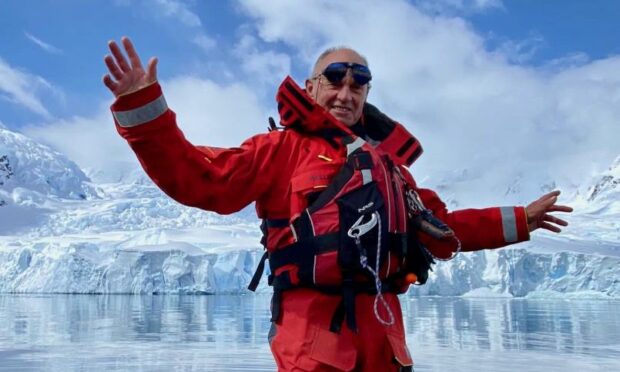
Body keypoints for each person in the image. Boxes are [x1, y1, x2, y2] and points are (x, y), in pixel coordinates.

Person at [103, 37, 572, 372]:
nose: (346, 92)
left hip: (385, 344)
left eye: (358, 84)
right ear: (310, 88)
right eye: (334, 80)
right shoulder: (279, 150)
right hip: (313, 346)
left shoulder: (390, 169)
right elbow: (200, 179)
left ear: (367, 95)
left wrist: (519, 221)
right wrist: (145, 111)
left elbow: (443, 228)